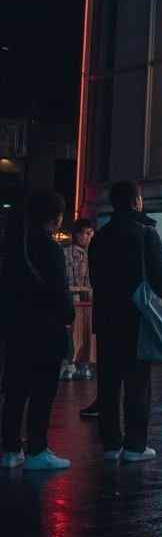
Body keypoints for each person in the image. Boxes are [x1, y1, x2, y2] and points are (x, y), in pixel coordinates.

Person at [89, 179, 162, 463]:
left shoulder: (100, 236)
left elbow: (95, 279)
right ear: (137, 201)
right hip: (137, 318)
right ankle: (135, 445)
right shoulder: (145, 233)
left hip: (106, 319)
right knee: (138, 383)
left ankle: (111, 444)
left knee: (109, 385)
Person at [0, 191, 75, 470]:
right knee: (43, 391)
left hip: (17, 329)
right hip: (46, 330)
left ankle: (10, 449)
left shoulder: (14, 245)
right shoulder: (50, 248)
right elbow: (59, 290)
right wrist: (68, 313)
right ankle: (37, 449)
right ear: (56, 217)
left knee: (16, 389)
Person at [64, 219, 96, 381]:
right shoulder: (70, 255)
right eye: (88, 232)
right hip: (76, 302)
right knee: (77, 334)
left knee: (82, 334)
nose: (91, 236)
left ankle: (76, 363)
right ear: (79, 235)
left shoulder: (87, 254)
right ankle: (75, 363)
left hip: (83, 303)